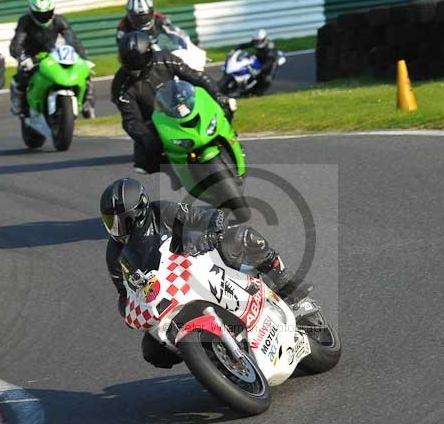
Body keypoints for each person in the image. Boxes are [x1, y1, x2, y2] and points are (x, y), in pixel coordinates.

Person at [101, 178, 312, 368]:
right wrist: (128, 310)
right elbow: (123, 292)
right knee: (152, 350)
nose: (117, 228)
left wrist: (211, 232)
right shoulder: (114, 254)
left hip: (198, 260)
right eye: (111, 222)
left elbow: (202, 216)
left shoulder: (161, 211)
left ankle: (282, 279)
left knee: (241, 236)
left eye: (123, 221)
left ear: (141, 210)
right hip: (169, 292)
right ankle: (207, 356)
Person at [112, 31, 233, 175]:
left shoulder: (165, 59)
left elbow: (196, 77)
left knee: (226, 106)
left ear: (148, 55)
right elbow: (130, 119)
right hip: (155, 122)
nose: (133, 65)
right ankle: (175, 173)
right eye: (128, 60)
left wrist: (217, 95)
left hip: (183, 105)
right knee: (145, 164)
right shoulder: (120, 85)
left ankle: (230, 139)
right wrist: (145, 136)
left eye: (136, 60)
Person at [9, 0, 95, 118]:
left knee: (84, 73)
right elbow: (17, 43)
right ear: (32, 12)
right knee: (21, 78)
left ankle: (87, 103)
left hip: (53, 54)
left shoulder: (60, 21)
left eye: (47, 13)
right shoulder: (25, 22)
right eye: (40, 14)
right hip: (31, 56)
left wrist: (84, 59)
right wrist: (23, 58)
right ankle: (19, 105)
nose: (44, 17)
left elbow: (73, 41)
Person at [116, 0, 180, 42]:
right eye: (138, 17)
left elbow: (175, 35)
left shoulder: (161, 19)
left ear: (152, 12)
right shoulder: (123, 25)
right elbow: (121, 48)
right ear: (129, 15)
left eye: (145, 15)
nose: (142, 19)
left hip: (161, 50)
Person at [235, 29, 279, 95]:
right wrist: (237, 48)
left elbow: (268, 64)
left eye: (259, 41)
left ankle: (259, 93)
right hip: (260, 57)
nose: (258, 43)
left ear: (264, 39)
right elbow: (247, 45)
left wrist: (260, 69)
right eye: (256, 41)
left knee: (266, 78)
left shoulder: (270, 49)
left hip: (270, 61)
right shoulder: (256, 41)